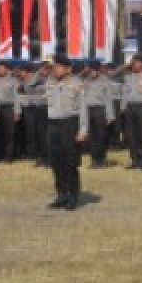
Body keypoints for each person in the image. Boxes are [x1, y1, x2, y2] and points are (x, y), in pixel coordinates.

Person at [45, 54, 88, 210]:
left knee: (70, 162)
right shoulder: (50, 83)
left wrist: (82, 130)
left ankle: (72, 196)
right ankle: (61, 194)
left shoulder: (77, 84)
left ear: (68, 69)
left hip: (69, 124)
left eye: (58, 67)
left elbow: (83, 108)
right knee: (56, 162)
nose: (55, 70)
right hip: (53, 125)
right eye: (54, 67)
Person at [83, 62, 118, 168]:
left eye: (94, 70)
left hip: (101, 110)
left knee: (101, 136)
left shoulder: (105, 82)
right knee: (92, 136)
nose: (92, 73)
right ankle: (94, 159)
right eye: (91, 70)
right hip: (88, 110)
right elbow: (83, 98)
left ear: (99, 70)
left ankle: (101, 158)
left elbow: (108, 99)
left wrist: (110, 116)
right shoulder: (86, 81)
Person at [0, 61, 22, 163]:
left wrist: (17, 112)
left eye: (2, 68)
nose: (0, 70)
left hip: (9, 108)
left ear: (7, 69)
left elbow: (17, 97)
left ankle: (9, 156)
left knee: (9, 133)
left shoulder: (13, 81)